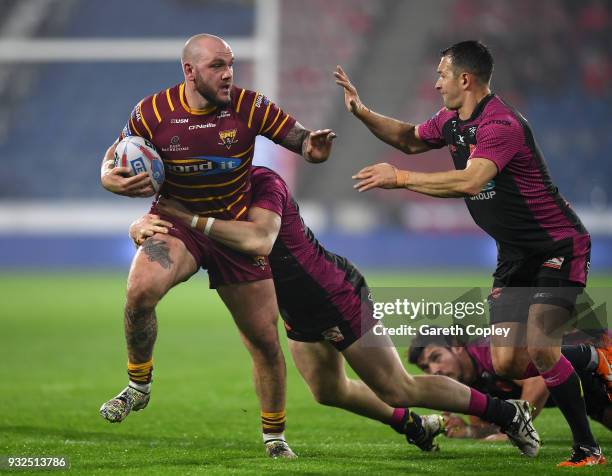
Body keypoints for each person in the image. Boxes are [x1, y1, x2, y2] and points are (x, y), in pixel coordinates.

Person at [129, 165, 542, 457]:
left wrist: (192, 219)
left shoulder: (261, 183)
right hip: (297, 307)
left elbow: (258, 240)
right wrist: (141, 227)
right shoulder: (199, 198)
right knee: (329, 391)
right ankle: (416, 425)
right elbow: (162, 223)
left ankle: (507, 412)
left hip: (332, 293)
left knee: (399, 387)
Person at [335, 40, 606, 466]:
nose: (436, 81)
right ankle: (591, 356)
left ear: (465, 78)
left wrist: (400, 179)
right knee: (508, 363)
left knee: (539, 344)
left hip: (558, 246)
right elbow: (408, 139)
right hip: (514, 255)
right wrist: (363, 112)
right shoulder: (451, 120)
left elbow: (470, 181)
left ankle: (586, 448)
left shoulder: (502, 125)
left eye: (442, 74)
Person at [99, 33, 336, 459]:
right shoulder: (152, 111)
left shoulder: (250, 106)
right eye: (216, 66)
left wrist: (311, 147)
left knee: (263, 339)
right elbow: (116, 154)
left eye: (231, 64)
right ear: (189, 71)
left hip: (234, 228)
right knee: (139, 291)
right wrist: (106, 177)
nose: (228, 74)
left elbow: (300, 138)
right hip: (176, 223)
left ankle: (274, 437)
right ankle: (138, 383)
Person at [407, 330, 612, 439]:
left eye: (436, 357)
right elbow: (492, 429)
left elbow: (540, 378)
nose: (434, 370)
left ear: (457, 346)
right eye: (426, 368)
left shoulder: (488, 351)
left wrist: (517, 429)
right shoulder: (470, 383)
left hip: (602, 355)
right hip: (592, 394)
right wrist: (469, 431)